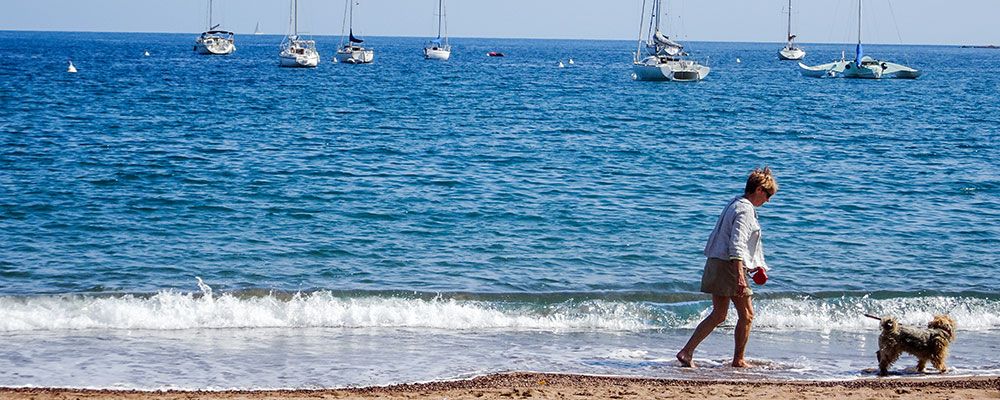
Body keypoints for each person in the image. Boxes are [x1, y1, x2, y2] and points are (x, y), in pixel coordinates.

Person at [676, 167, 778, 368]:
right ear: (758, 189)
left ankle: (687, 352)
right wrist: (740, 276)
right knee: (747, 315)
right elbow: (736, 243)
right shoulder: (746, 209)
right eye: (768, 195)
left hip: (717, 261)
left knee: (719, 314)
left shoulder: (734, 203)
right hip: (729, 266)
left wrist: (749, 267)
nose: (768, 201)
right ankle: (738, 360)